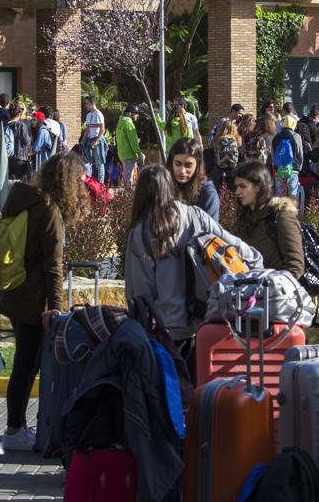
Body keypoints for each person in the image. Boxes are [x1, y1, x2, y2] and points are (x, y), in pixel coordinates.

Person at [124, 165, 261, 374]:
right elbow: (235, 246)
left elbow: (139, 292)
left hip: (162, 331)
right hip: (200, 322)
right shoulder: (195, 216)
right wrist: (257, 262)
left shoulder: (141, 232)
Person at [0, 153, 88, 451]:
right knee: (26, 363)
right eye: (80, 179)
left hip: (17, 291)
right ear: (68, 182)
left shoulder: (26, 198)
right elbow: (53, 265)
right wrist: (56, 306)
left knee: (24, 360)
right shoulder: (49, 212)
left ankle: (15, 426)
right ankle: (14, 428)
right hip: (32, 298)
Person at [230, 161, 304, 279]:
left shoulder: (282, 216)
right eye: (236, 186)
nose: (237, 191)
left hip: (276, 294)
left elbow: (295, 267)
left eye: (242, 186)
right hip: (249, 292)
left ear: (258, 187)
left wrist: (268, 289)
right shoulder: (245, 218)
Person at [163, 137, 219, 221]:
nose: (182, 171)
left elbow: (210, 230)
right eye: (178, 164)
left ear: (197, 166)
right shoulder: (163, 186)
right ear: (171, 163)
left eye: (188, 165)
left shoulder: (207, 192)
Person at [115, 105, 143, 188]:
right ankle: (129, 198)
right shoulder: (129, 124)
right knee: (129, 179)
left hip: (122, 154)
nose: (137, 115)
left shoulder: (120, 123)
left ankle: (126, 197)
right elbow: (133, 143)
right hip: (129, 154)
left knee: (126, 177)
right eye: (136, 113)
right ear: (130, 113)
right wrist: (139, 154)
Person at [82, 97, 108, 183]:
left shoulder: (98, 114)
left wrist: (96, 141)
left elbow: (102, 129)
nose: (86, 105)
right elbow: (88, 129)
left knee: (99, 163)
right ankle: (91, 183)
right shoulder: (89, 115)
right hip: (90, 140)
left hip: (97, 140)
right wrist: (83, 140)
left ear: (92, 103)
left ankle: (101, 184)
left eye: (87, 103)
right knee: (89, 163)